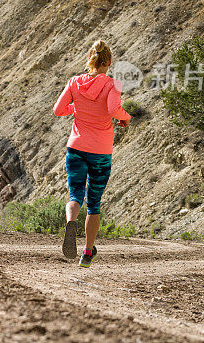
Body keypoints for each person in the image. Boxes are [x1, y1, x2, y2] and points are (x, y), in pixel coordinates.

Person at [52, 40, 131, 267]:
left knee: (75, 195)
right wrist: (125, 117)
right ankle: (87, 252)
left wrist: (77, 107)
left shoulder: (74, 82)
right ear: (108, 62)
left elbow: (58, 110)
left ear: (90, 60)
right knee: (94, 203)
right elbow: (113, 110)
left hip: (75, 147)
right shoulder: (112, 84)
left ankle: (70, 221)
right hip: (100, 151)